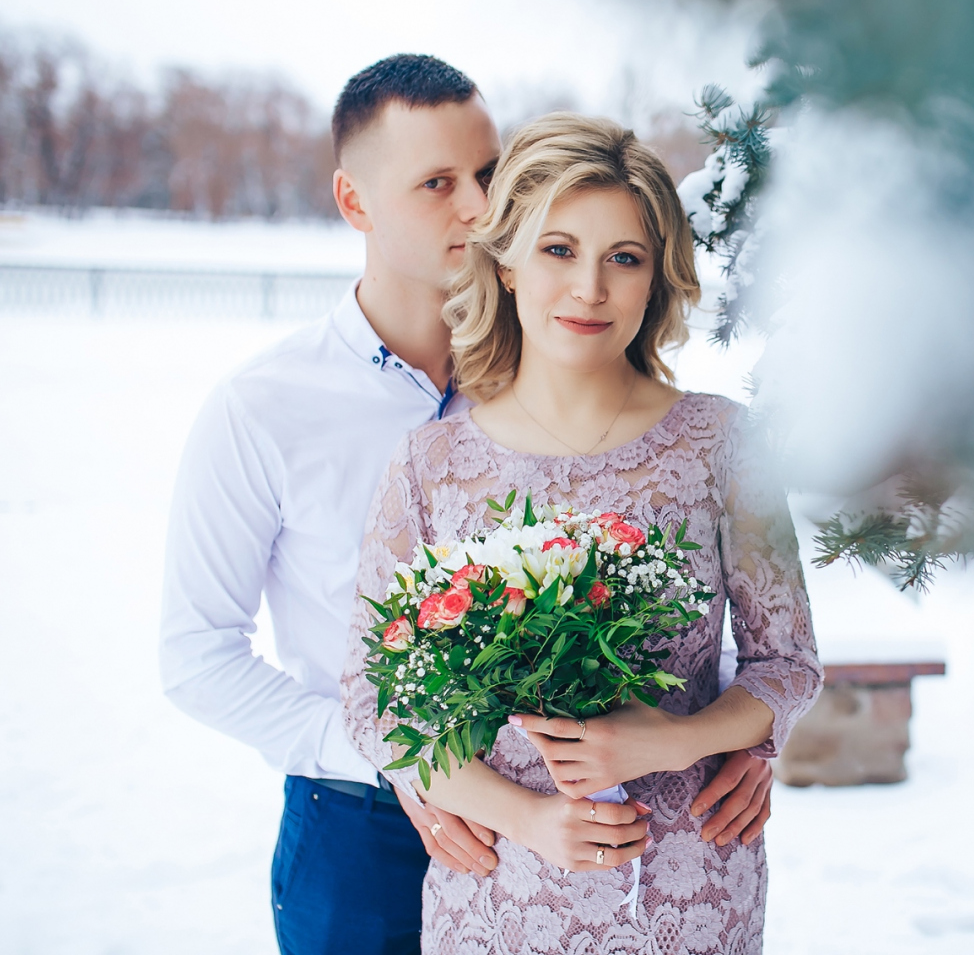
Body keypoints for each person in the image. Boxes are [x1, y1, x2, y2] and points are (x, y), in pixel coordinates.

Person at [160, 57, 775, 955]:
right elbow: (196, 656)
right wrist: (401, 764)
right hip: (363, 823)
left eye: (488, 172)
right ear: (354, 202)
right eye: (437, 184)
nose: (480, 207)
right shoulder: (265, 409)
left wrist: (730, 737)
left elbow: (696, 584)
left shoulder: (560, 360)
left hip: (598, 826)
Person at [339, 112, 822, 954]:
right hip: (498, 892)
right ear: (508, 262)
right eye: (559, 250)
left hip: (689, 889)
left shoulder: (722, 445)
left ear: (656, 280)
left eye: (623, 259)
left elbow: (790, 664)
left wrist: (684, 737)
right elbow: (375, 700)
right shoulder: (430, 466)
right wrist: (522, 816)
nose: (590, 289)